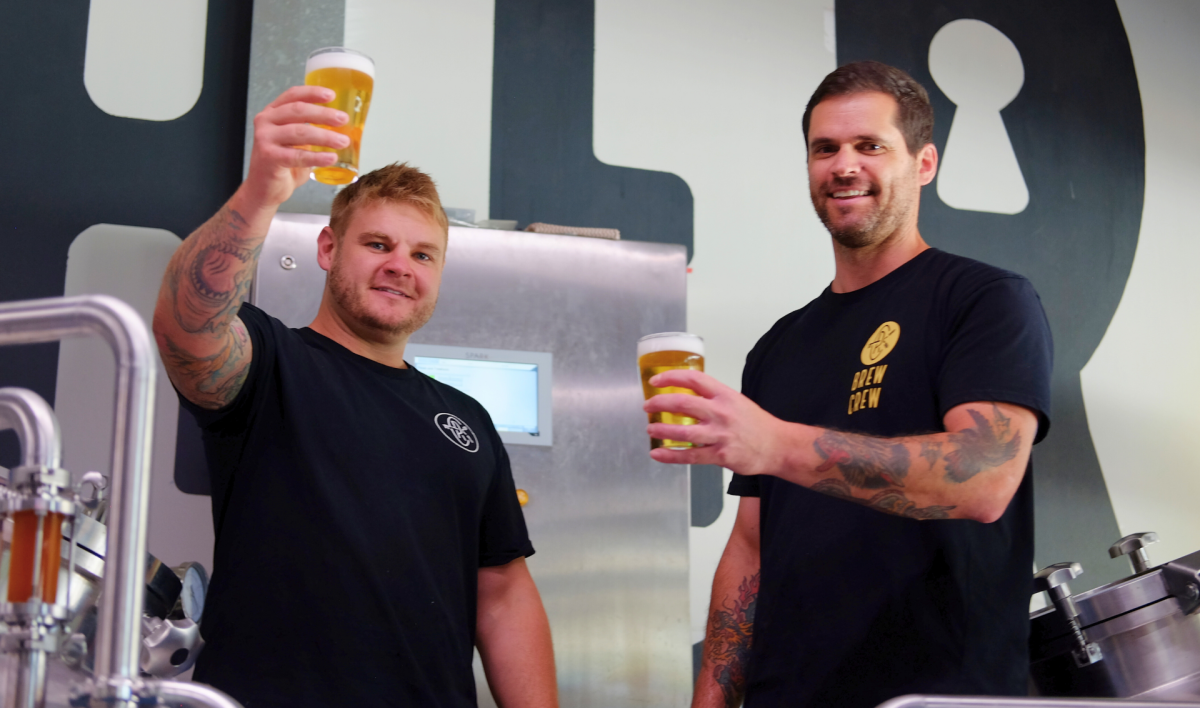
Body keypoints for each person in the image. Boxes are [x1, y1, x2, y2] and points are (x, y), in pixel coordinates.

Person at [646, 61, 1053, 708]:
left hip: (936, 695)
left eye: (871, 146)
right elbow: (750, 548)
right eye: (824, 148)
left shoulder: (984, 300)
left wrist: (777, 444)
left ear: (924, 164)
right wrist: (711, 701)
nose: (843, 166)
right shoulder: (779, 348)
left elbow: (982, 479)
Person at [152, 86, 558, 708]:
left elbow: (502, 589)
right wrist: (262, 189)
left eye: (423, 254)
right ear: (327, 248)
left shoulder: (466, 420)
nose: (402, 265)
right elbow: (188, 327)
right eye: (378, 244)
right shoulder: (273, 362)